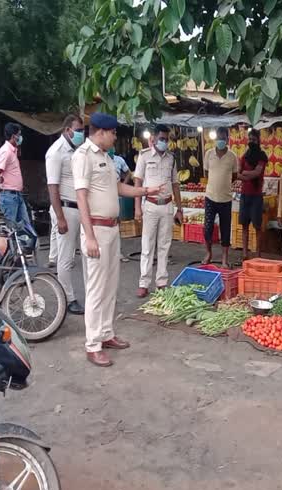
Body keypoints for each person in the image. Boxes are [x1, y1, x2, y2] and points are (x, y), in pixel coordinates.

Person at [73, 112, 164, 367]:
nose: (115, 137)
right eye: (113, 133)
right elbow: (81, 198)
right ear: (101, 132)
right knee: (96, 288)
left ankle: (106, 333)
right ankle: (92, 344)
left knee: (110, 284)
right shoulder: (83, 156)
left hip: (112, 230)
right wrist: (89, 236)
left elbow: (117, 188)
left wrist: (146, 191)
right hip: (97, 231)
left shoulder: (106, 157)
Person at [133, 124, 184, 298]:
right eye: (161, 138)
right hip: (151, 205)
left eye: (166, 139)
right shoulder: (144, 156)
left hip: (167, 205)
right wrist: (137, 208)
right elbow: (137, 183)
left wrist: (179, 208)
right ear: (153, 138)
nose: (164, 142)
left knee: (164, 245)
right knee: (147, 246)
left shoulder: (171, 158)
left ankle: (162, 282)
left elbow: (175, 184)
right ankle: (143, 283)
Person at [46, 114, 86, 315]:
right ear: (67, 130)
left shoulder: (77, 150)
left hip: (80, 208)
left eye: (82, 130)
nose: (81, 134)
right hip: (66, 209)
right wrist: (60, 218)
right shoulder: (55, 152)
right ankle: (67, 298)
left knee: (85, 253)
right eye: (78, 130)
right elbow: (52, 187)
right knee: (66, 257)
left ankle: (85, 295)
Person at [202, 126, 238, 267]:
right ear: (215, 139)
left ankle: (224, 259)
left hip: (226, 199)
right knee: (208, 228)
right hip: (210, 197)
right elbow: (206, 173)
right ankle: (208, 253)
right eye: (219, 138)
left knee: (225, 229)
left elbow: (234, 176)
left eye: (223, 138)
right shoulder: (209, 154)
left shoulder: (232, 156)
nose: (221, 140)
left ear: (228, 139)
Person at [0, 122, 31, 228]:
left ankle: (24, 245)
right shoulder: (6, 151)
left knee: (25, 227)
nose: (20, 137)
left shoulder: (12, 151)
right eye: (19, 134)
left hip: (16, 195)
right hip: (9, 196)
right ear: (14, 136)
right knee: (12, 229)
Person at [238, 128, 267, 259]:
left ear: (258, 140)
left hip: (256, 196)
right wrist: (247, 175)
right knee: (244, 225)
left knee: (257, 227)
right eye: (249, 139)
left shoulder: (262, 156)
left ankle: (258, 254)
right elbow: (238, 173)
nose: (251, 141)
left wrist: (245, 174)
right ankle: (245, 254)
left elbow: (258, 172)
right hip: (244, 195)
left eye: (253, 140)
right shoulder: (244, 156)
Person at [111, 148, 132, 262]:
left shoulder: (119, 160)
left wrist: (123, 185)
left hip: (116, 195)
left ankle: (117, 252)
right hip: (104, 197)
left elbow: (128, 173)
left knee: (116, 223)